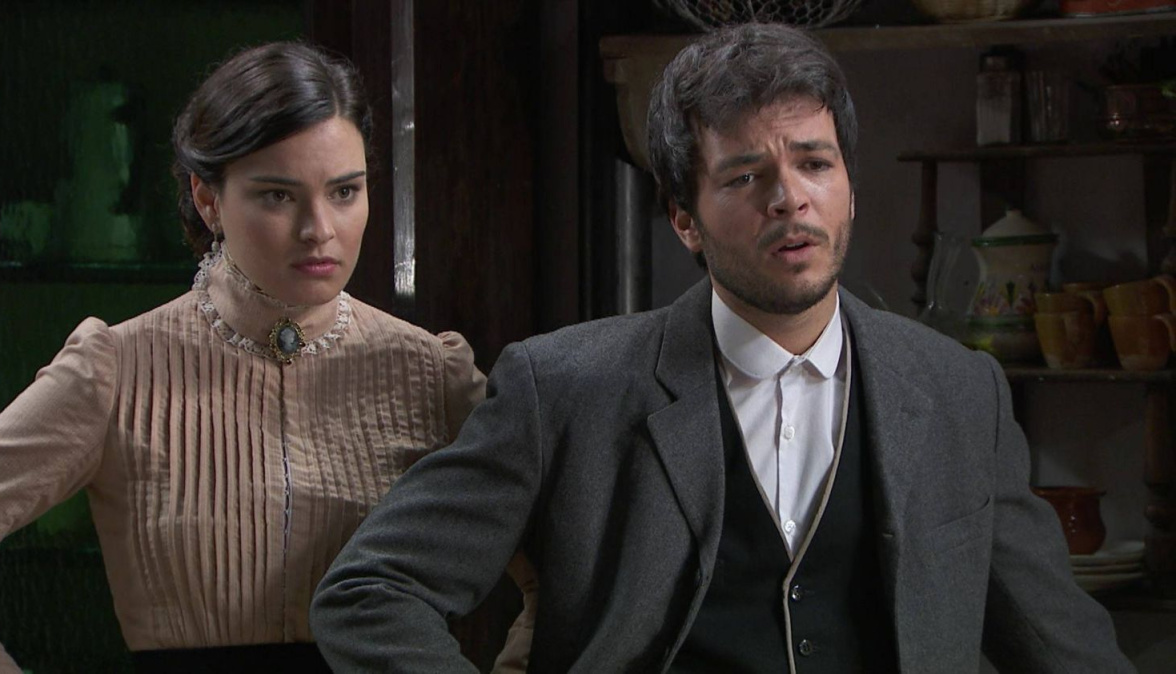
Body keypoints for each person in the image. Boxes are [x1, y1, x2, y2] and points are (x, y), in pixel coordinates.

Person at [310, 22, 1135, 673]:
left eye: (815, 163)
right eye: (745, 176)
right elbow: (371, 589)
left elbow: (1061, 643)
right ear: (684, 219)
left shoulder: (960, 391)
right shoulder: (562, 388)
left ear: (849, 187)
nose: (790, 199)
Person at [0, 41, 506, 673]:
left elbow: (572, 568)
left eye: (344, 191)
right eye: (278, 196)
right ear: (208, 201)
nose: (319, 229)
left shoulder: (431, 372)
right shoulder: (116, 370)